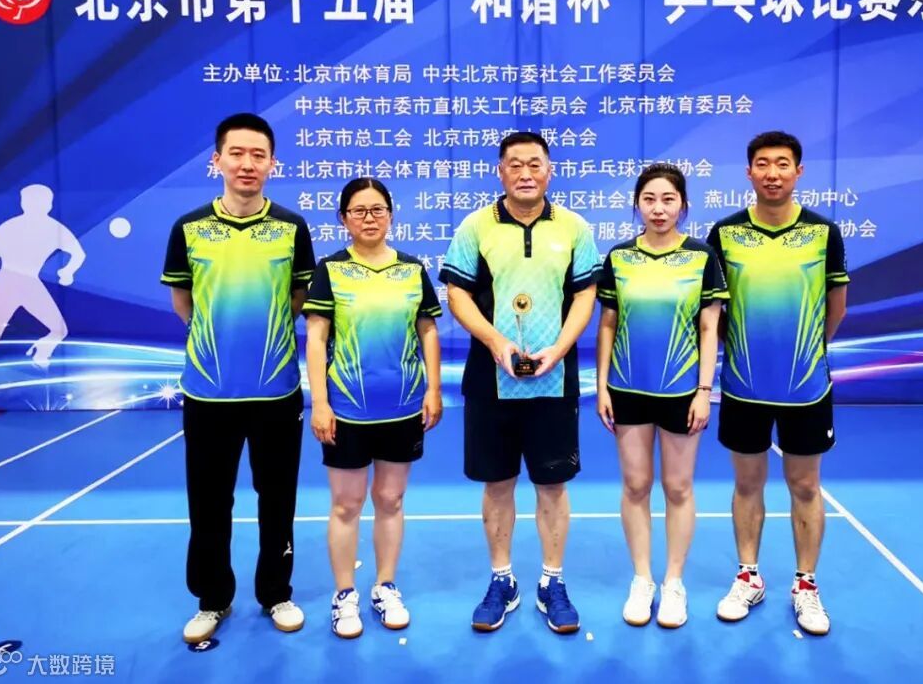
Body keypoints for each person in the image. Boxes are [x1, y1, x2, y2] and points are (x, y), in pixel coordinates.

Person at [161, 113, 315, 644]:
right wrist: (216, 343)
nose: (248, 164)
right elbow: (183, 302)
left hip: (276, 391)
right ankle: (212, 599)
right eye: (237, 153)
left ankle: (276, 593)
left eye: (258, 155)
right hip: (208, 392)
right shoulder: (189, 228)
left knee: (278, 500)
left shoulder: (291, 228)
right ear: (217, 160)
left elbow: (298, 299)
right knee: (208, 502)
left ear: (272, 164)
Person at [440, 131, 601, 634]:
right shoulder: (475, 226)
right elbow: (457, 294)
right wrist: (495, 342)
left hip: (555, 380)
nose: (525, 173)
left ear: (550, 170)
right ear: (500, 171)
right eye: (515, 164)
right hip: (489, 378)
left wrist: (560, 348)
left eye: (535, 164)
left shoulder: (574, 227)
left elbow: (585, 295)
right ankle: (502, 579)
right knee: (497, 482)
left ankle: (552, 581)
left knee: (552, 484)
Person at [708, 131, 848, 637]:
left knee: (805, 485)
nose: (773, 173)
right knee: (747, 483)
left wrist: (806, 350)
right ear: (749, 172)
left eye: (782, 164)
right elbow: (714, 311)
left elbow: (836, 307)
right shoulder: (724, 233)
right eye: (763, 164)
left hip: (806, 387)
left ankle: (806, 584)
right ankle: (749, 576)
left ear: (798, 171)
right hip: (743, 385)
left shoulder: (823, 232)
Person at [304, 178, 443, 639]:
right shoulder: (330, 270)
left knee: (390, 499)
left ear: (391, 215)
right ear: (343, 218)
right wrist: (320, 402)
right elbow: (317, 338)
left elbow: (427, 330)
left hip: (403, 406)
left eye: (378, 209)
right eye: (359, 211)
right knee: (347, 504)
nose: (369, 218)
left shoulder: (411, 269)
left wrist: (433, 389)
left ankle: (385, 586)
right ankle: (344, 595)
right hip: (346, 408)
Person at [596, 163, 728, 629]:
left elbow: (709, 327)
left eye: (668, 199)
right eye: (649, 199)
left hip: (682, 390)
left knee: (678, 487)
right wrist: (602, 386)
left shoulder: (701, 256)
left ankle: (673, 582)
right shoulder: (619, 257)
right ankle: (642, 579)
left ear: (683, 205)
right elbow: (607, 324)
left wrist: (704, 391)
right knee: (635, 486)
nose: (658, 208)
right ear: (637, 205)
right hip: (627, 388)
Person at [0, 184, 85, 372]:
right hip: (6, 284)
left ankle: (41, 352)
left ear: (48, 205)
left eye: (38, 202)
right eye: (31, 201)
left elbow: (78, 254)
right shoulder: (10, 227)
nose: (35, 206)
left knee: (58, 329)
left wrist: (67, 271)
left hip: (29, 285)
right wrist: (67, 271)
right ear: (23, 204)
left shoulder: (53, 228)